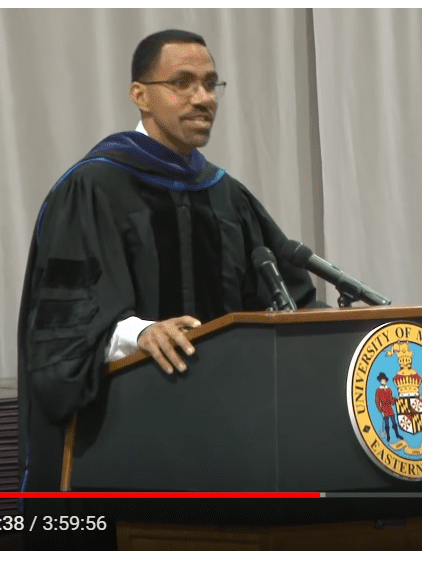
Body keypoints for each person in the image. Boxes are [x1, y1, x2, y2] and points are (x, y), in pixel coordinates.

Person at [17, 29, 317, 504]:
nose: (202, 98)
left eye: (210, 84)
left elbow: (289, 299)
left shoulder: (225, 195)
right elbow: (61, 329)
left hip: (227, 444)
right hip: (123, 447)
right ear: (141, 95)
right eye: (183, 83)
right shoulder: (92, 188)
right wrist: (138, 333)